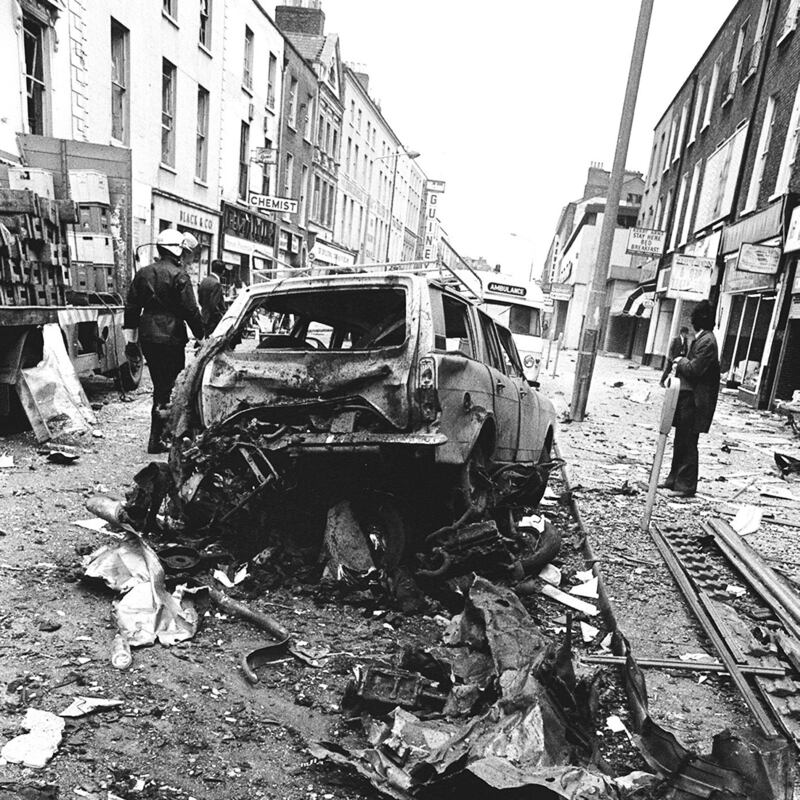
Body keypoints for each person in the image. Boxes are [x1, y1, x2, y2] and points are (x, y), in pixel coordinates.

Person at [124, 228, 205, 454]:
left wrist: (131, 341)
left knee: (160, 385)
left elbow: (131, 307)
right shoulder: (180, 276)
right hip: (172, 336)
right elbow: (191, 310)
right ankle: (162, 437)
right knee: (171, 386)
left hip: (148, 335)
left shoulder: (143, 273)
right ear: (178, 251)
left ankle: (157, 438)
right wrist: (202, 336)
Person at [659, 301, 720, 498]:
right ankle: (673, 480)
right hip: (689, 399)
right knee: (681, 441)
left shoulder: (707, 342)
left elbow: (694, 370)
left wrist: (680, 360)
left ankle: (685, 486)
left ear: (698, 320)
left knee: (688, 443)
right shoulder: (704, 339)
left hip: (695, 402)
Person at [198, 259, 227, 337]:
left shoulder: (204, 281)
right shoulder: (217, 284)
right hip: (213, 320)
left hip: (204, 317)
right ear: (223, 271)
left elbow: (200, 300)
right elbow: (214, 305)